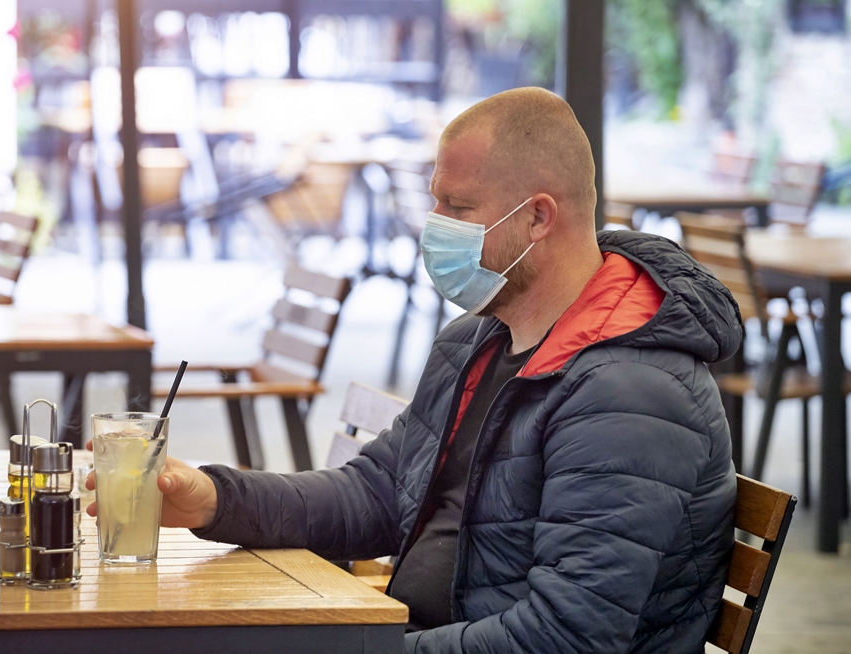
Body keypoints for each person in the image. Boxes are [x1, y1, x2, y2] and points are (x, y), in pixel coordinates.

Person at [87, 87, 740, 653]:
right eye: (436, 204)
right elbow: (374, 494)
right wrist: (216, 499)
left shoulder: (632, 394)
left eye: (458, 209)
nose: (435, 229)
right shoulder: (478, 341)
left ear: (539, 216)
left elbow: (568, 636)